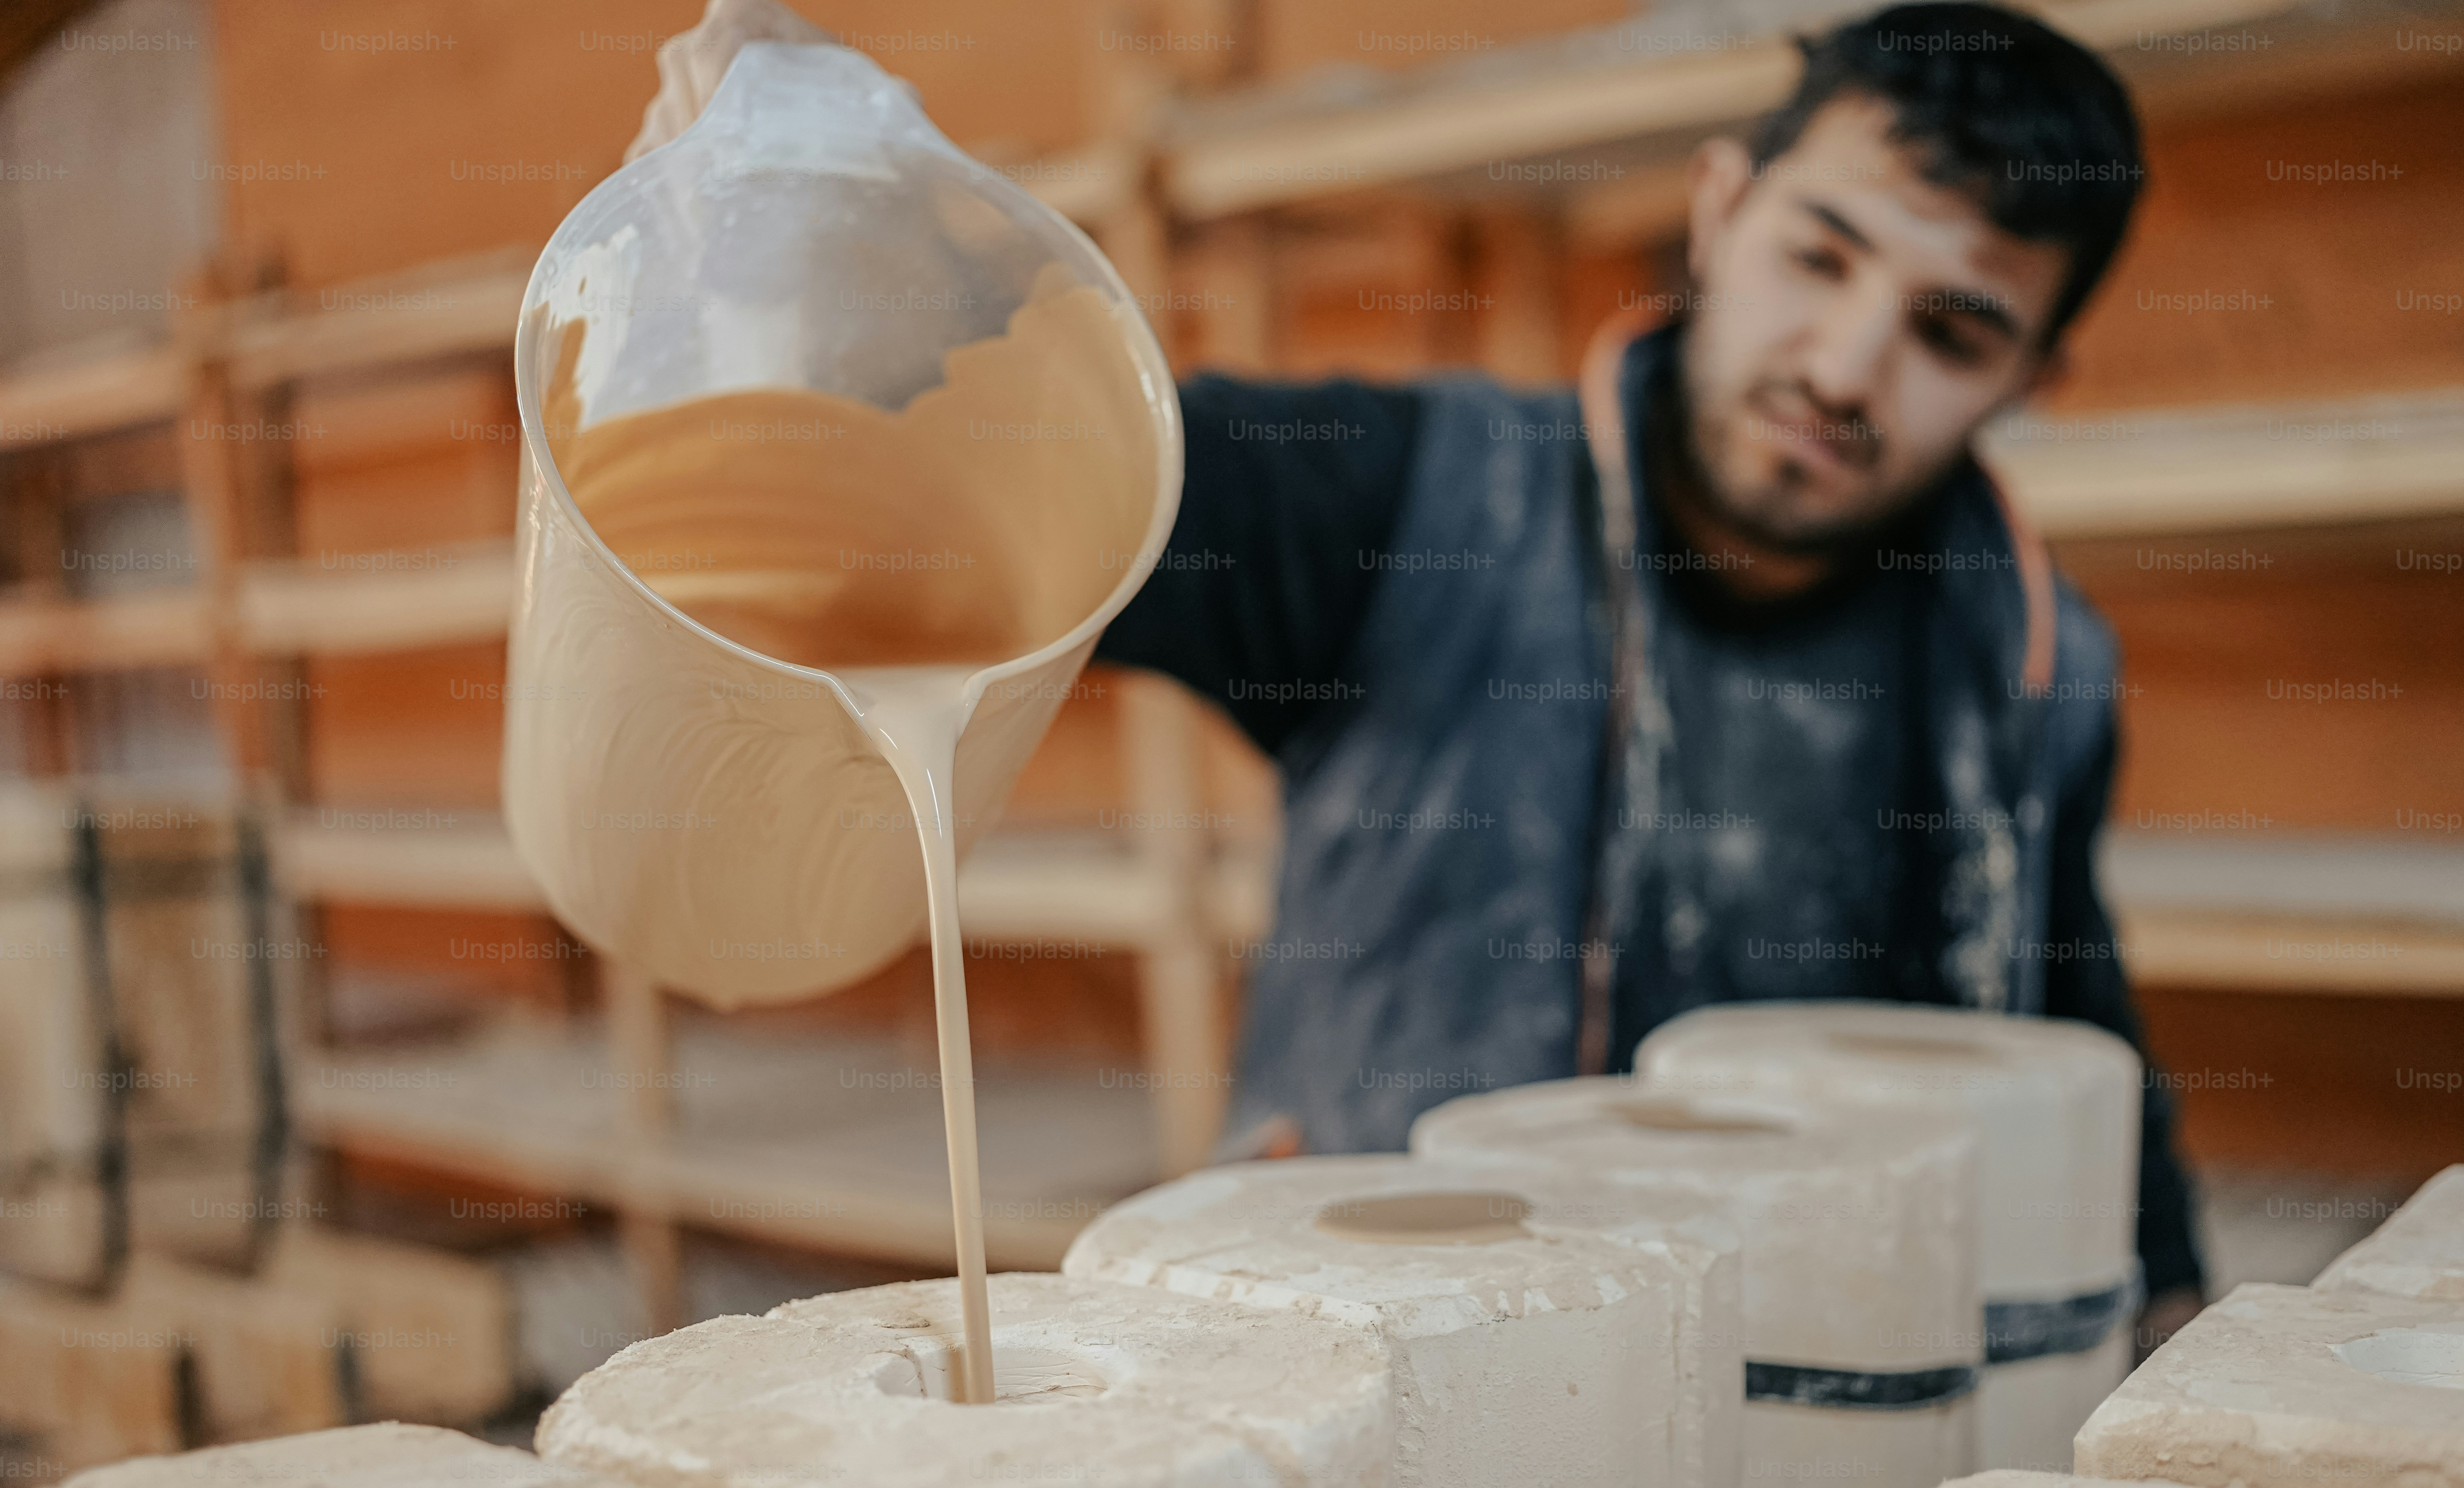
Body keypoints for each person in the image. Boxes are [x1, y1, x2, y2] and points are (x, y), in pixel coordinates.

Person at [626, 0, 2203, 1337]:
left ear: (2034, 377)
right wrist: (834, 262)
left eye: (1952, 330)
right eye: (1823, 255)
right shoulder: (1413, 503)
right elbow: (1062, 457)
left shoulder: (2036, 665)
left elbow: (2073, 1028)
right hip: (1364, 1377)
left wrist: (2177, 1333)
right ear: (1721, 210)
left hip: (1794, 1407)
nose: (1845, 366)